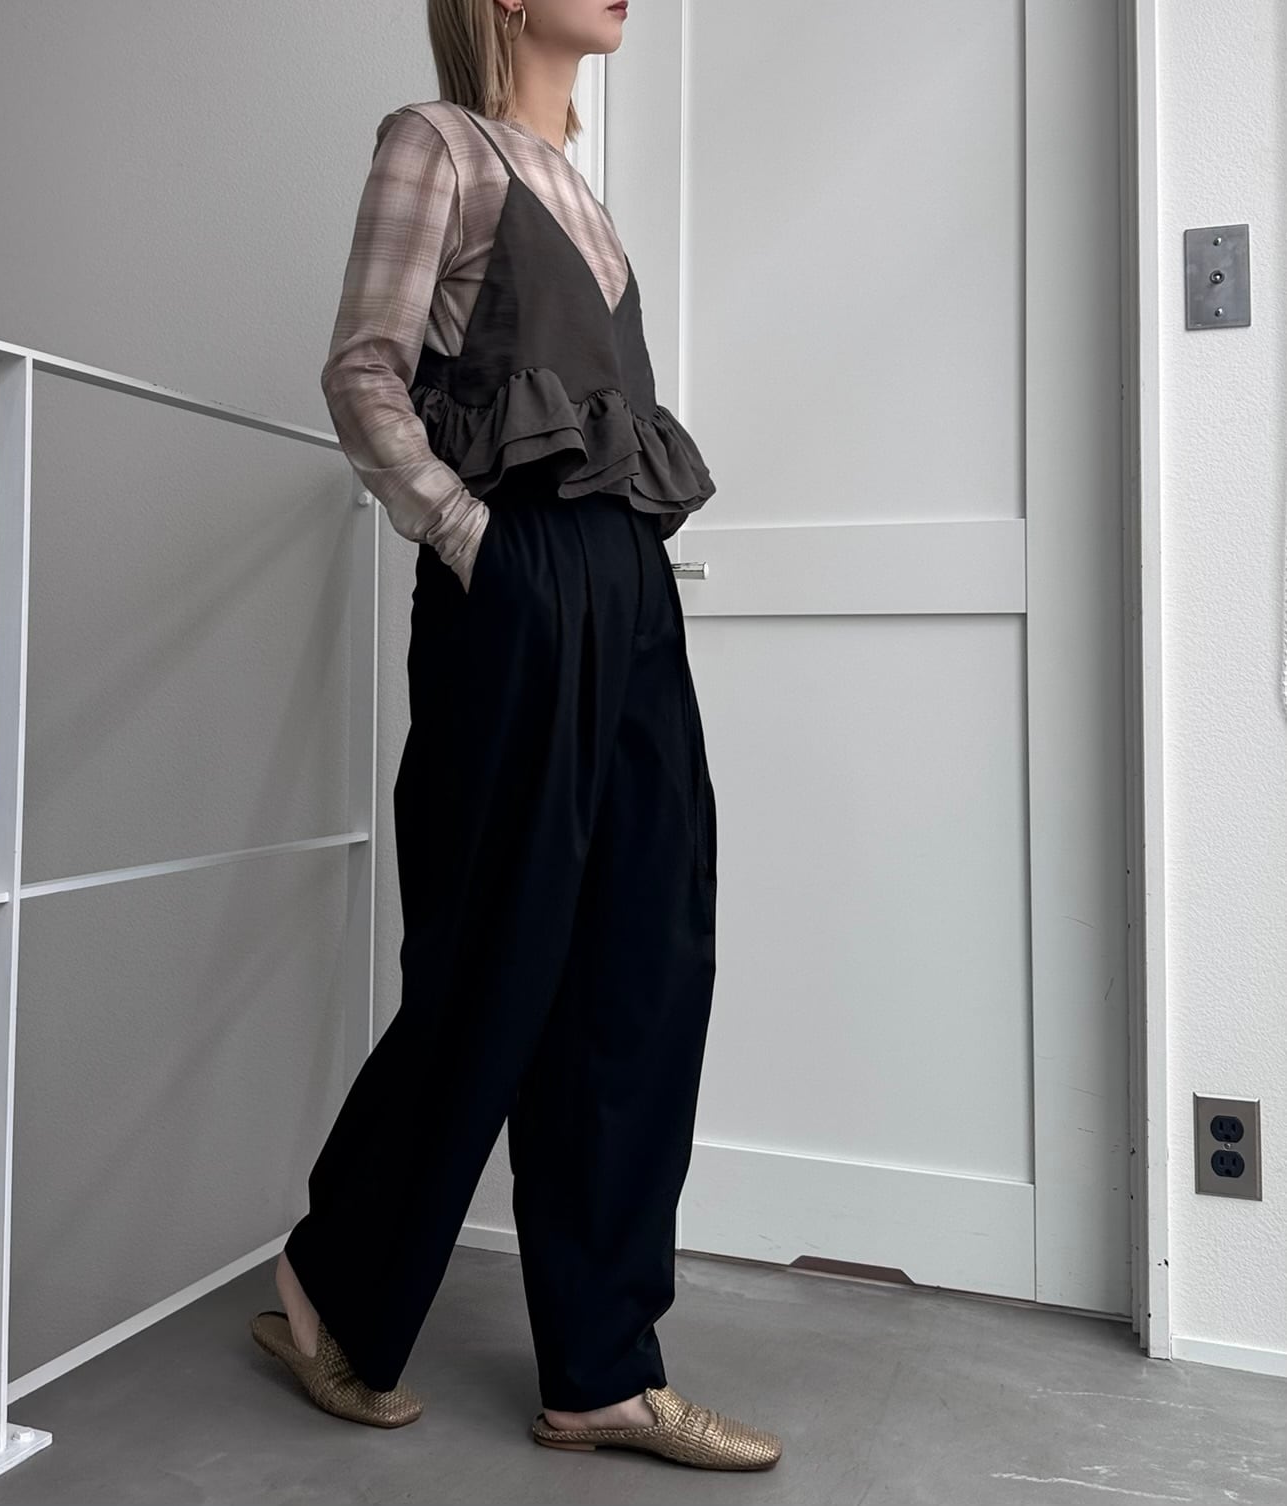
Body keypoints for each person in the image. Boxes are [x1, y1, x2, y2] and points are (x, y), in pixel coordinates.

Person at [250, 0, 782, 1473]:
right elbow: (363, 368)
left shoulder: (579, 190)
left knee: (646, 960)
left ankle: (602, 1368)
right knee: (498, 956)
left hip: (629, 591)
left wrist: (607, 580)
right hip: (525, 582)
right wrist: (474, 540)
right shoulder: (436, 145)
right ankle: (334, 1283)